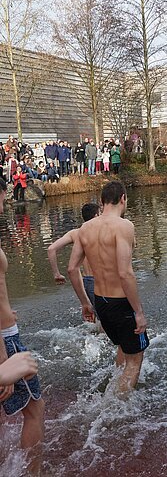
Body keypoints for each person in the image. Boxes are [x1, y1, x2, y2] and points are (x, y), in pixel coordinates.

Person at [68, 182, 149, 393]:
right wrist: (139, 312)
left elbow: (71, 269)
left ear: (102, 201)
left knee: (124, 348)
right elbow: (125, 272)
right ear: (123, 198)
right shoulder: (124, 226)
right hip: (121, 302)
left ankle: (116, 387)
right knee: (135, 361)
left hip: (100, 302)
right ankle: (115, 410)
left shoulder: (84, 229)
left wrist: (85, 303)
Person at [0, 177, 45, 474]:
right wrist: (4, 364)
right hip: (5, 342)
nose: (5, 198)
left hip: (5, 332)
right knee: (35, 410)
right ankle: (34, 473)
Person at [48, 203, 100, 320]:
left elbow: (51, 249)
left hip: (84, 282)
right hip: (98, 280)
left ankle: (94, 336)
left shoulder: (75, 233)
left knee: (92, 316)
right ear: (96, 216)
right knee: (104, 319)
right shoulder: (100, 232)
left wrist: (56, 274)